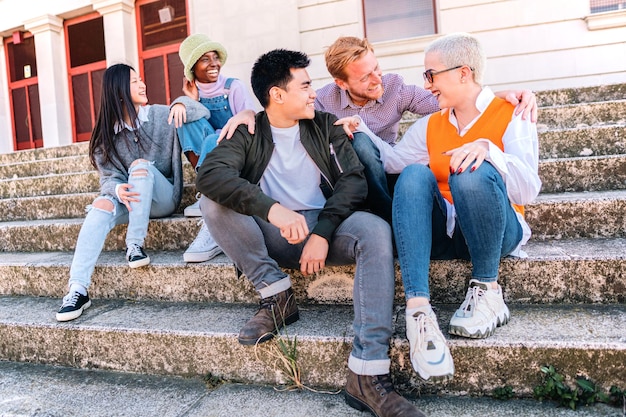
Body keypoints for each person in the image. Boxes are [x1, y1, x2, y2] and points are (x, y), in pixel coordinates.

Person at [196, 49, 426, 417]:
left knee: (374, 229)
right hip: (272, 234)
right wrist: (273, 209)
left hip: (323, 228)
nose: (313, 93)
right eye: (304, 86)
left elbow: (352, 182)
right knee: (213, 202)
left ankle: (367, 374)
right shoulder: (248, 131)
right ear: (277, 94)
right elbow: (209, 176)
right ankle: (276, 296)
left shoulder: (324, 124)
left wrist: (322, 231)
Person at [351, 32, 541, 382]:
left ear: (463, 73)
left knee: (470, 170)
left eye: (431, 75)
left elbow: (528, 189)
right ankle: (419, 311)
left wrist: (488, 150)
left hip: (497, 231)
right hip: (448, 233)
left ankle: (487, 290)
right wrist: (360, 128)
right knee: (411, 175)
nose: (428, 86)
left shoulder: (512, 113)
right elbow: (391, 161)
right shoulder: (430, 124)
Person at [220, 36, 537, 224]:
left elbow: (448, 98)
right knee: (348, 143)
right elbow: (282, 110)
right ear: (342, 83)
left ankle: (388, 220)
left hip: (385, 173)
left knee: (362, 143)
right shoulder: (325, 99)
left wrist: (499, 95)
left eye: (377, 69)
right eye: (366, 77)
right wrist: (249, 111)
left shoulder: (396, 88)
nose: (377, 79)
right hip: (343, 176)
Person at [56, 63, 209, 322]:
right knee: (100, 206)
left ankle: (134, 243)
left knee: (140, 167)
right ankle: (78, 289)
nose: (143, 84)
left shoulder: (161, 115)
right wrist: (117, 189)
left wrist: (182, 103)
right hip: (131, 200)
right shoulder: (105, 135)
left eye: (141, 80)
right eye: (135, 81)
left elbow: (201, 111)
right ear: (118, 92)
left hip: (162, 199)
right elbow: (107, 179)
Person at [175, 34, 257, 263]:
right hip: (213, 156)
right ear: (192, 68)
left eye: (215, 57)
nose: (214, 64)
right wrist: (188, 100)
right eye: (205, 59)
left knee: (213, 139)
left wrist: (222, 133)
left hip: (238, 151)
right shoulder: (195, 93)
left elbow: (249, 119)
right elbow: (191, 124)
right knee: (186, 119)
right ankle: (207, 190)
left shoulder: (233, 87)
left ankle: (207, 195)